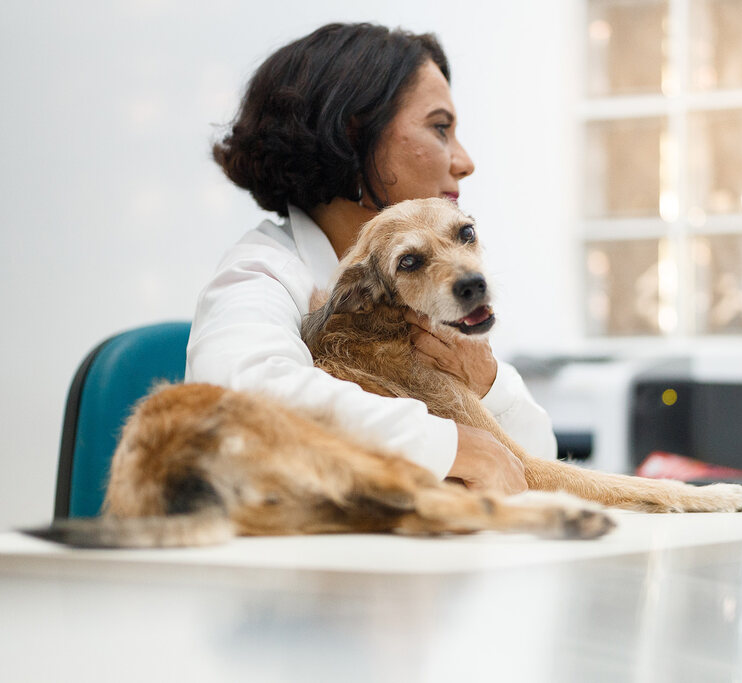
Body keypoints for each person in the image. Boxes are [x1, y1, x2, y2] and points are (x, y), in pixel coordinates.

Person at [186, 22, 556, 494]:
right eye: (440, 128)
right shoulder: (260, 273)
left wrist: (486, 383)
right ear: (354, 134)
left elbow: (537, 465)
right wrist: (456, 446)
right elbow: (243, 399)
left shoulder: (420, 298)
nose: (464, 161)